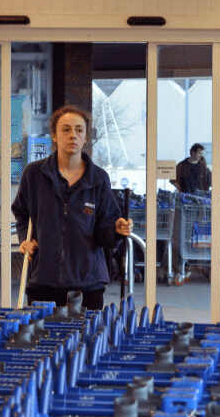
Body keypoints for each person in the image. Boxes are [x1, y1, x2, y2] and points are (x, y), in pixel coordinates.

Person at [12, 105, 132, 311]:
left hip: (88, 284)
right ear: (54, 136)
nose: (73, 135)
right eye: (66, 129)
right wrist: (25, 240)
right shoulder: (34, 174)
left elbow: (106, 234)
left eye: (79, 130)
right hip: (42, 281)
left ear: (86, 137)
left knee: (85, 341)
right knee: (42, 341)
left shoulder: (99, 179)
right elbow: (22, 214)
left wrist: (116, 229)